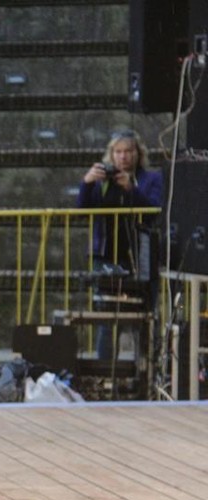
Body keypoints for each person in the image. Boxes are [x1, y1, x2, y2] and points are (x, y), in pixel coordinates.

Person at [77, 129, 163, 360]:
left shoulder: (151, 179)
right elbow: (82, 210)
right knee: (107, 318)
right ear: (111, 154)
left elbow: (154, 211)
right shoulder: (102, 180)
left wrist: (131, 189)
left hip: (140, 255)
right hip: (106, 255)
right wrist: (87, 183)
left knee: (141, 316)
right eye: (118, 152)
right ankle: (104, 367)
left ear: (138, 153)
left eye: (128, 151)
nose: (123, 157)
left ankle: (144, 368)